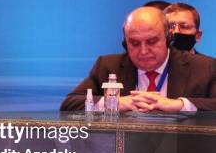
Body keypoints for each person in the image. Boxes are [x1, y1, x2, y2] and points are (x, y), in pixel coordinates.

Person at [60, 6, 216, 112]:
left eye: (152, 42)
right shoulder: (108, 65)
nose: (143, 51)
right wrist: (115, 102)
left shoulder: (204, 67)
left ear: (168, 38)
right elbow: (69, 104)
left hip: (181, 152)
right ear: (125, 42)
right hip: (125, 152)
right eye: (134, 43)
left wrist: (179, 104)